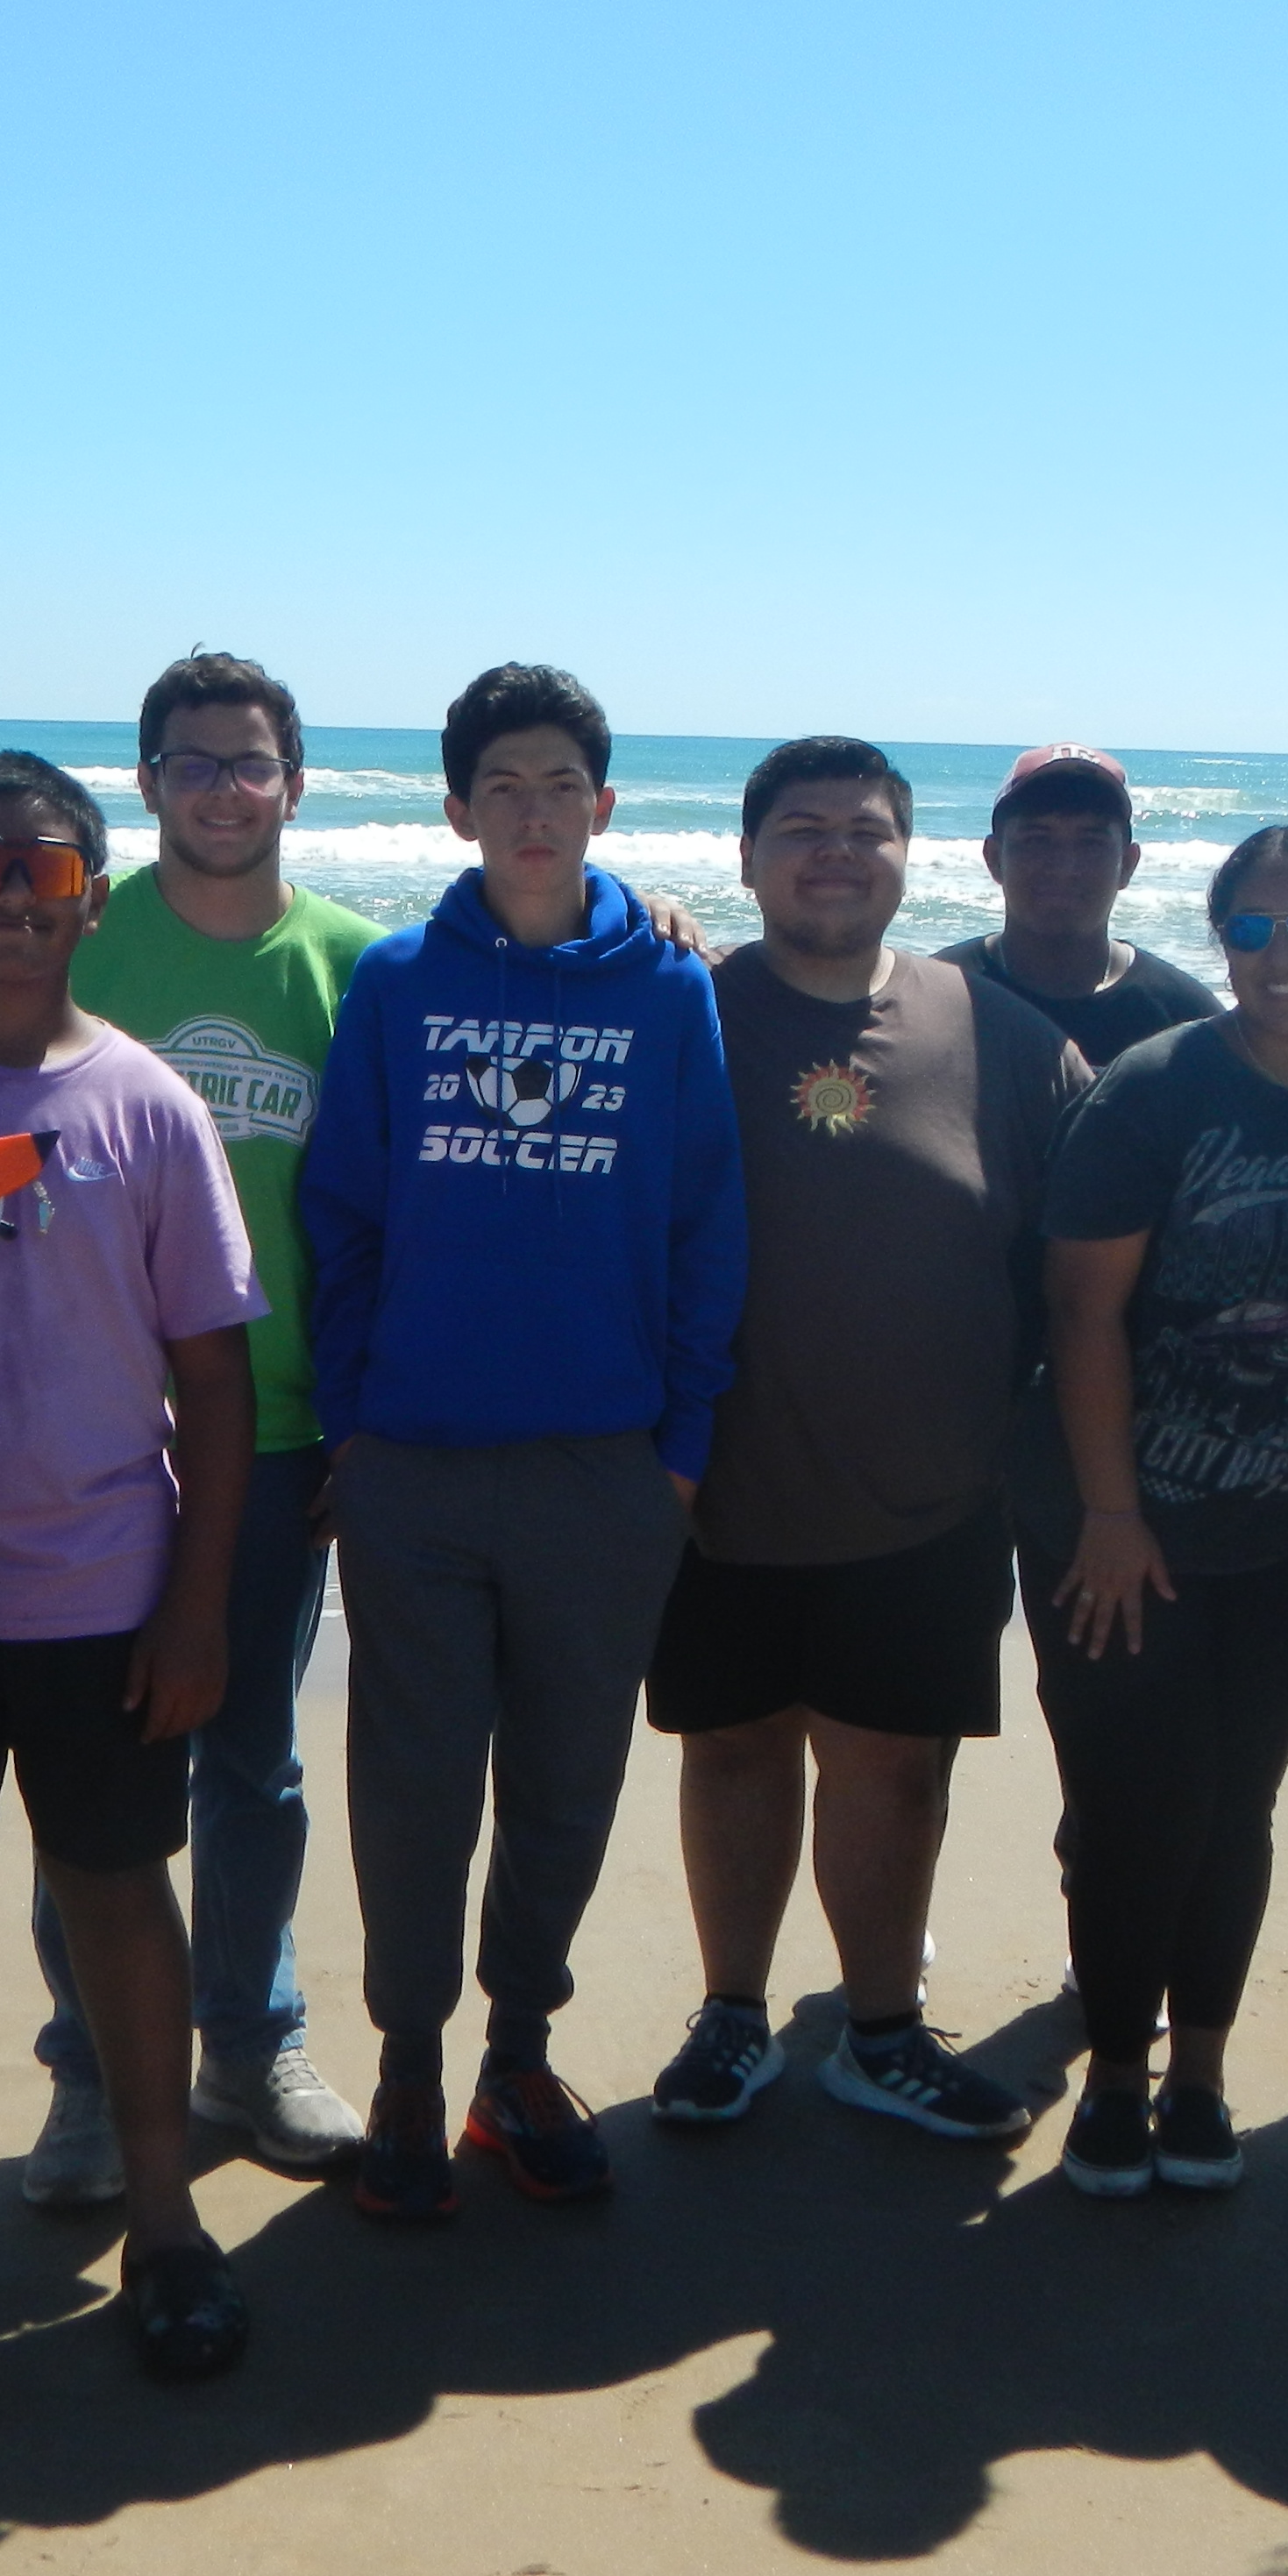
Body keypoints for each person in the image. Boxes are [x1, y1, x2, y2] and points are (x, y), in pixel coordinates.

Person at [300, 660, 745, 2220]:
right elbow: (341, 1212)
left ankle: (516, 2052)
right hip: (416, 1463)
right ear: (456, 808)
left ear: (604, 806)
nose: (534, 811)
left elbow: (705, 1224)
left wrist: (677, 1444)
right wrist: (352, 1422)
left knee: (565, 1781)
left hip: (605, 1468)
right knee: (410, 1784)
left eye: (561, 783)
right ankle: (409, 2066)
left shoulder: (669, 985)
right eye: (504, 786)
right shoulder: (401, 980)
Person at [0, 749, 265, 2380]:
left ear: (93, 896)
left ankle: (165, 2220)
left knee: (115, 1897)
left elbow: (217, 1382)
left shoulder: (146, 1104)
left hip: (103, 1593)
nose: (11, 901)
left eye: (44, 874)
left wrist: (195, 1610)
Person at [644, 738, 1089, 2144]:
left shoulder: (1000, 1033)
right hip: (711, 1489)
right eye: (800, 827)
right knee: (732, 1750)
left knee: (893, 1765)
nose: (835, 850)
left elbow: (1084, 1271)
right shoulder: (680, 1014)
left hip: (931, 1495)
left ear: (912, 854)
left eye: (867, 828)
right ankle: (732, 2013)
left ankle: (880, 2030)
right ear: (744, 857)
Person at [1030, 826, 1288, 2197]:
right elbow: (1083, 1311)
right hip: (1121, 1530)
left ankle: (1200, 2072)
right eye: (1256, 928)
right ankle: (1114, 2076)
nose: (1285, 954)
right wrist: (1108, 1513)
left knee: (1236, 1804)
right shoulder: (1157, 1090)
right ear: (1222, 942)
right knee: (1133, 1804)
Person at [24, 651, 379, 2195]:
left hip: (286, 1427)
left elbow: (397, 1210)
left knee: (250, 1759)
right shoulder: (78, 952)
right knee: (88, 1771)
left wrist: (365, 1423)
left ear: (293, 782)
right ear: (144, 784)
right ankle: (91, 2076)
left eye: (247, 763)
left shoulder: (363, 968)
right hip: (84, 1434)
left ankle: (248, 2038)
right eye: (187, 763)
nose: (220, 788)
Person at [936, 744, 1221, 1065]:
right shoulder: (934, 1000)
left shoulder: (1186, 1022)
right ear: (993, 858)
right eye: (1037, 839)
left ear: (1128, 864)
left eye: (1091, 842)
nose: (1064, 867)